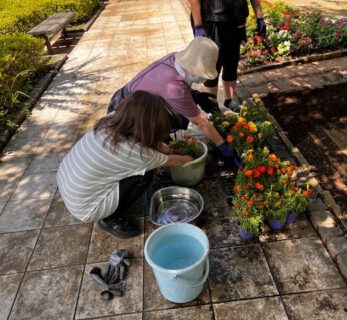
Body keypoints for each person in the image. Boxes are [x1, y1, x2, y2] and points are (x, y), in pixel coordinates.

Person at [57, 91, 194, 238]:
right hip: (87, 208)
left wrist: (168, 149)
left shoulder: (112, 120)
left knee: (136, 168)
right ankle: (111, 218)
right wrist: (191, 158)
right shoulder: (137, 153)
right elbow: (175, 161)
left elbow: (149, 142)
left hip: (68, 182)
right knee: (145, 175)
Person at [108, 37, 238, 167]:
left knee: (169, 122)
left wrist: (196, 96)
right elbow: (201, 122)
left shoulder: (174, 58)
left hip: (127, 99)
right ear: (193, 69)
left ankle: (159, 143)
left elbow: (166, 88)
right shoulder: (175, 89)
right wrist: (223, 146)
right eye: (203, 73)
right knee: (150, 142)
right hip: (125, 114)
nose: (202, 78)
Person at [190, 0, 266, 112]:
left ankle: (230, 98)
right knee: (212, 65)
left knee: (232, 60)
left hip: (236, 19)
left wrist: (259, 17)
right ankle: (211, 103)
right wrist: (198, 26)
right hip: (210, 21)